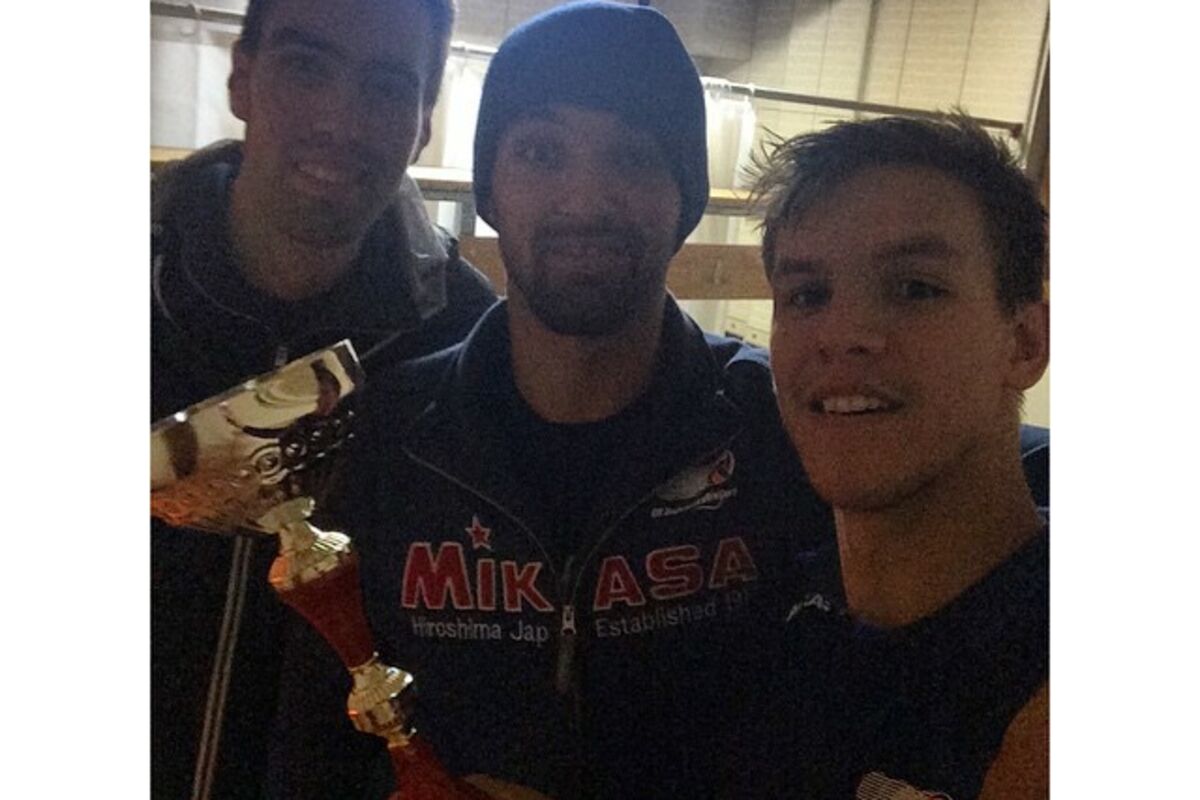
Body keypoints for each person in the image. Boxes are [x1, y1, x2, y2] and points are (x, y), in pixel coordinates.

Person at [266, 3, 832, 798]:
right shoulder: (383, 437)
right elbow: (311, 751)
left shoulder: (775, 427)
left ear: (684, 195)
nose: (585, 200)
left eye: (632, 156)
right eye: (540, 151)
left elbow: (833, 736)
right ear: (491, 189)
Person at [150, 0, 497, 797]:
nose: (341, 122)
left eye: (386, 87)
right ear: (242, 77)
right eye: (306, 67)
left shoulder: (466, 338)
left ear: (422, 122)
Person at [743, 115, 1050, 798]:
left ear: (1025, 342)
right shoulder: (764, 627)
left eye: (915, 288)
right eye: (807, 295)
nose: (843, 334)